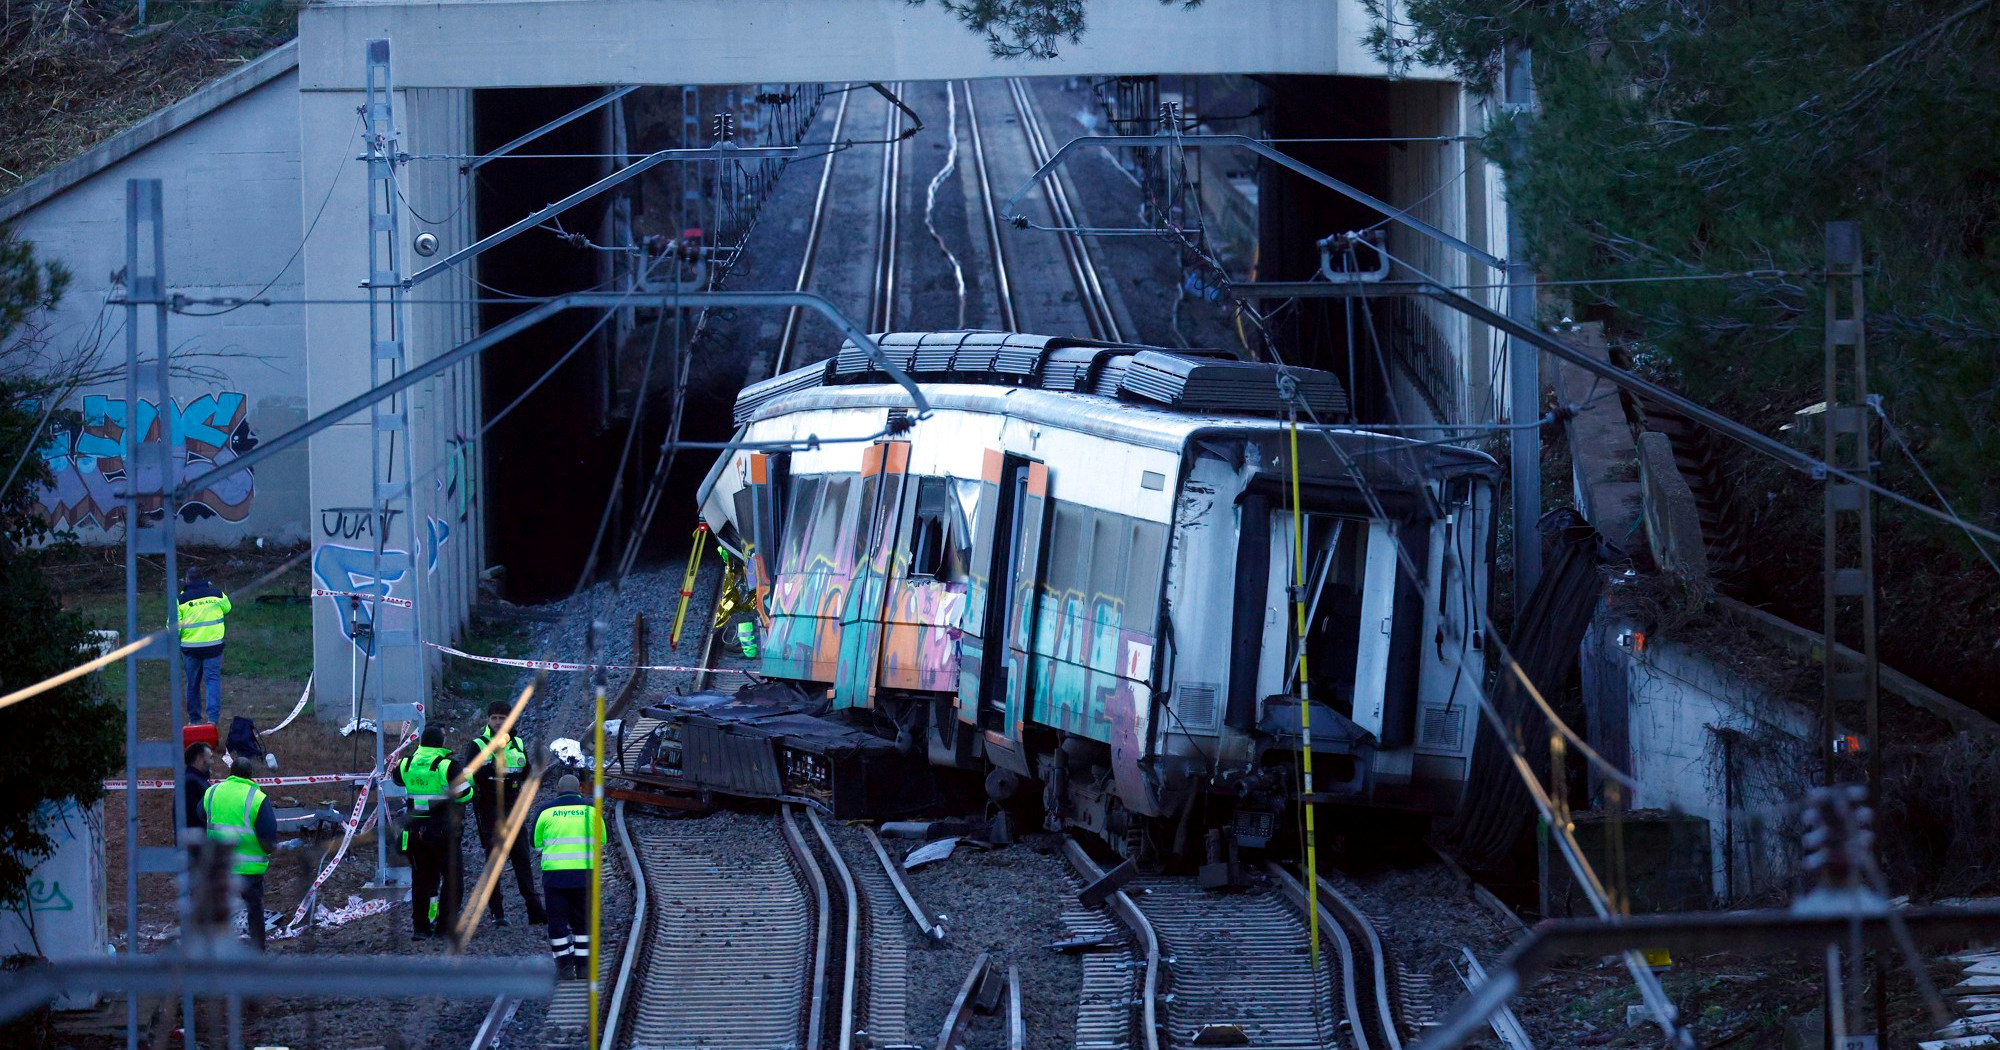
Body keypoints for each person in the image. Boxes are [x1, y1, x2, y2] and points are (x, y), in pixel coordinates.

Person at [468, 701, 545, 927]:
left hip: (513, 808)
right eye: (494, 718)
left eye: (502, 718)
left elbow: (524, 772)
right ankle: (497, 913)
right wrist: (484, 771)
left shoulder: (517, 743)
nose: (498, 722)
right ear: (487, 720)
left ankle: (534, 910)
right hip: (489, 809)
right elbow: (466, 777)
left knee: (522, 858)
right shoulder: (478, 745)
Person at [393, 725, 472, 940]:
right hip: (442, 831)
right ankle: (444, 927)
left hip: (414, 831)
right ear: (442, 742)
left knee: (421, 879)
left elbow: (397, 779)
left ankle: (420, 928)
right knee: (452, 879)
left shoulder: (407, 763)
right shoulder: (447, 765)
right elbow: (465, 794)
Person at [533, 774, 603, 980]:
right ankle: (583, 967)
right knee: (584, 921)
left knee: (557, 923)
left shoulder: (545, 811)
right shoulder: (591, 810)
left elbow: (535, 843)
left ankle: (564, 967)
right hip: (584, 876)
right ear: (580, 789)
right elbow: (603, 839)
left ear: (557, 789)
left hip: (555, 878)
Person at [202, 756, 276, 950]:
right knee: (254, 908)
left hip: (220, 864)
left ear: (231, 773)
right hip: (249, 868)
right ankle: (257, 950)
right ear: (251, 775)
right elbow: (268, 836)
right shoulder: (257, 798)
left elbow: (200, 815)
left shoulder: (212, 792)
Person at [176, 568, 232, 725]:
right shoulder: (217, 594)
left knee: (192, 684)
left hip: (191, 649)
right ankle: (212, 719)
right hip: (214, 647)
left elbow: (173, 627)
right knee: (212, 680)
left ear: (187, 580)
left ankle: (194, 720)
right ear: (203, 579)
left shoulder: (181, 599)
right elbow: (228, 608)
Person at [181, 742, 214, 833]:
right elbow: (194, 817)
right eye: (210, 758)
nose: (212, 762)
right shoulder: (191, 784)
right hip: (195, 839)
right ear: (199, 759)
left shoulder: (196, 781)